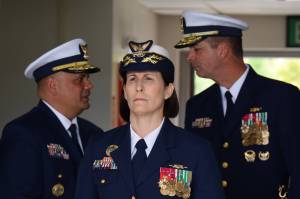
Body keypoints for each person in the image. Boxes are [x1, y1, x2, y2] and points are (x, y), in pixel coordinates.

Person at [75, 40, 224, 199]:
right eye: (132, 78)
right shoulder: (98, 147)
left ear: (168, 90)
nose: (139, 86)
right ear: (125, 91)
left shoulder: (196, 150)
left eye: (148, 78)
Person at [174, 10, 300, 199]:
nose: (189, 57)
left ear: (223, 50)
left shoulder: (281, 97)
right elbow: (190, 168)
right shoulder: (197, 105)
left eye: (197, 49)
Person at [0, 38, 103, 199]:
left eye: (88, 78)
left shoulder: (93, 134)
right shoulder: (24, 133)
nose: (89, 85)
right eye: (79, 79)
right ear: (53, 85)